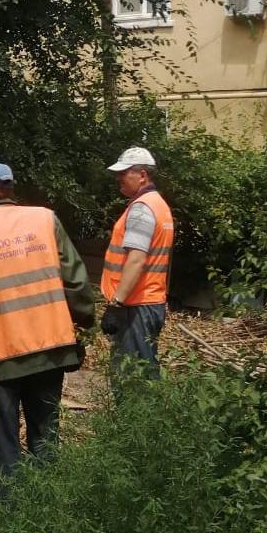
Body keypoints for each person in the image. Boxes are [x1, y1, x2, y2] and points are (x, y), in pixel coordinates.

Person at [0, 161, 94, 498]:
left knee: (6, 442)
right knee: (46, 436)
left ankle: (7, 525)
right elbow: (77, 283)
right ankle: (47, 514)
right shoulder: (45, 219)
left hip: (3, 354)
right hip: (52, 347)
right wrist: (84, 324)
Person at [99, 146, 174, 383]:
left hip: (136, 306)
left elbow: (137, 259)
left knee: (132, 380)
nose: (119, 178)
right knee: (143, 373)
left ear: (142, 175)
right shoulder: (157, 204)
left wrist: (116, 304)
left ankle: (139, 421)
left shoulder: (142, 209)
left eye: (124, 173)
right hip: (148, 302)